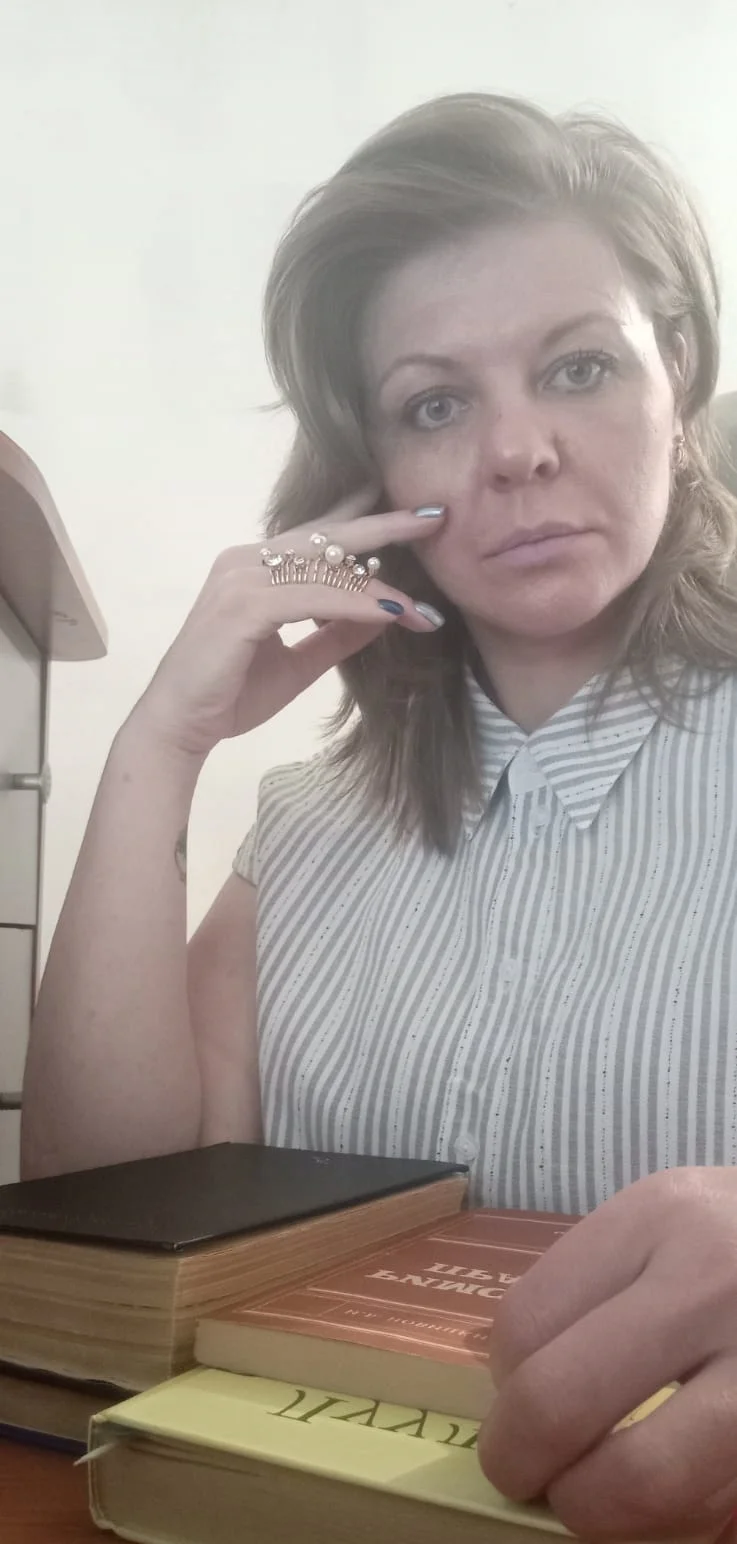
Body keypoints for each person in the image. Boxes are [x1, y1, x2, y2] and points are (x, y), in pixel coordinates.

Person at [20, 93, 737, 1539]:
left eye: (579, 366)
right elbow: (105, 1219)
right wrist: (162, 741)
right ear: (375, 472)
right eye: (435, 404)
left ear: (676, 376)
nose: (517, 450)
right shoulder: (304, 829)